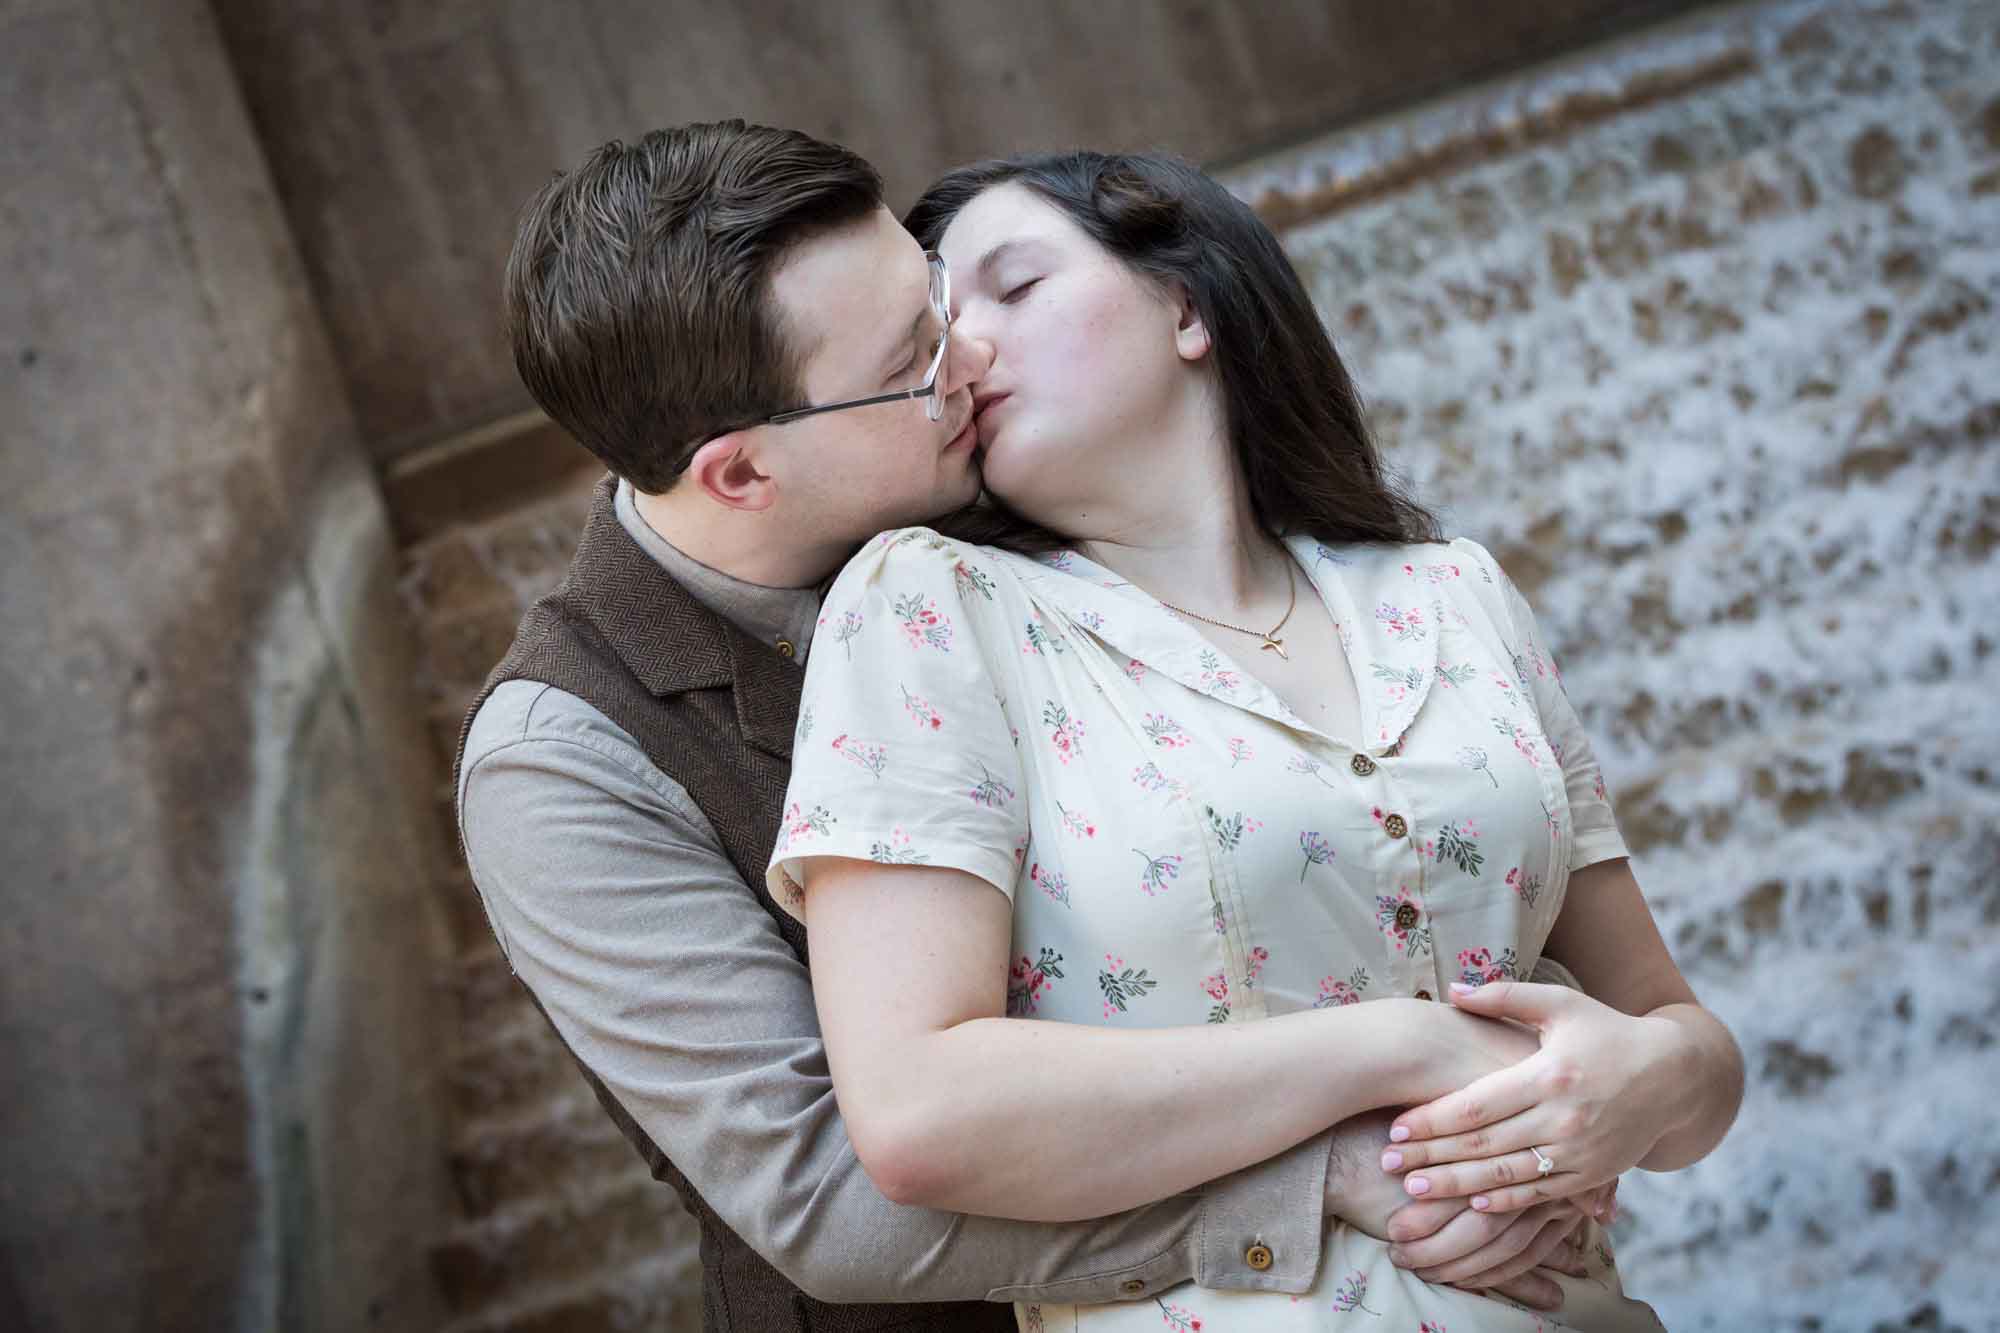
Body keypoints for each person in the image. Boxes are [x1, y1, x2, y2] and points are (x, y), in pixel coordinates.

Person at [456, 122, 1582, 1333]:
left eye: (936, 299)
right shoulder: (561, 760)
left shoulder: (1022, 489)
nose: (970, 355)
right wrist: (1328, 1173)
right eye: (915, 354)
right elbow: (826, 1195)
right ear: (738, 474)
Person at [766, 151, 1747, 1330]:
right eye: (937, 321)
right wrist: (1401, 1048)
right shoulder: (931, 607)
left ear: (1186, 305)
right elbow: (919, 1111)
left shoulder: (1448, 594)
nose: (959, 349)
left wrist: (1649, 1082)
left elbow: (1682, 1051)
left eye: (1011, 289)